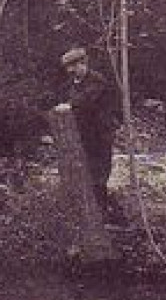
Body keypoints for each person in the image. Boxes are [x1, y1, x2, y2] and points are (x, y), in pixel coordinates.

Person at [53, 46, 124, 224]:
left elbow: (87, 99)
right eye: (68, 67)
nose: (71, 71)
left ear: (84, 63)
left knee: (99, 176)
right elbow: (65, 99)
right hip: (84, 136)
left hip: (101, 135)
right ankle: (99, 213)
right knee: (88, 176)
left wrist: (70, 106)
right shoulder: (72, 83)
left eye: (74, 66)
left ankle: (111, 216)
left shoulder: (97, 80)